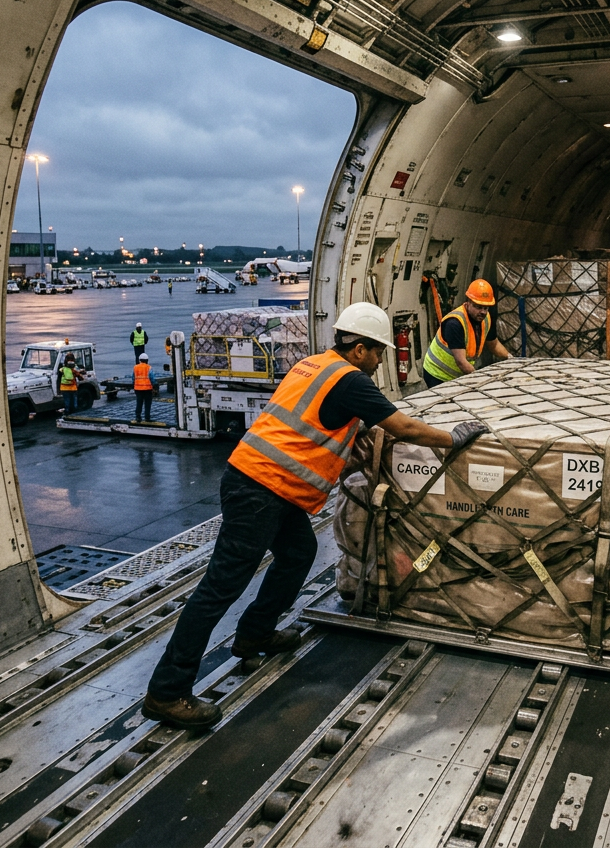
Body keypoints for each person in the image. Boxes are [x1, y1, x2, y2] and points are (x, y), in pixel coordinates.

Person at [143, 302, 489, 730]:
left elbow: (316, 421)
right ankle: (167, 691)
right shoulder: (351, 381)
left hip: (261, 482)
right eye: (378, 351)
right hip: (260, 489)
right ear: (358, 349)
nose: (381, 359)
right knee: (220, 587)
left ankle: (256, 632)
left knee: (298, 552)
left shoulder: (312, 365)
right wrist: (450, 438)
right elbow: (406, 428)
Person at [422, 279, 510, 387]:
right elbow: (461, 362)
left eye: (485, 308)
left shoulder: (486, 319)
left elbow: (494, 345)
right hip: (437, 374)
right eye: (478, 307)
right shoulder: (455, 323)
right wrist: (481, 382)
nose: (482, 312)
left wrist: (511, 358)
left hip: (458, 375)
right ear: (468, 302)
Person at [134, 353, 154, 422]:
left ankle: (138, 417)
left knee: (139, 403)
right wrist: (155, 385)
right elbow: (152, 377)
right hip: (147, 389)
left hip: (138, 389)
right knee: (147, 404)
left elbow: (133, 377)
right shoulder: (149, 367)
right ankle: (147, 417)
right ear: (147, 360)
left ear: (139, 360)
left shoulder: (136, 367)